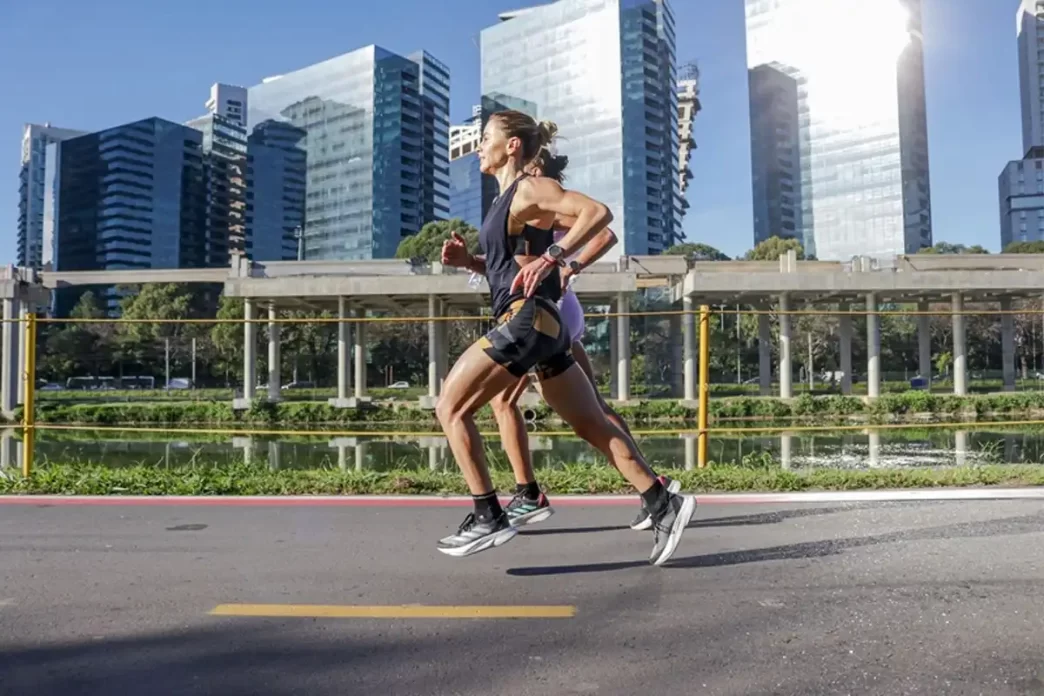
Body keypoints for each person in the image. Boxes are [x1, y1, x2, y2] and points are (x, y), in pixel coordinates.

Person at [433, 109, 696, 566]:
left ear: (512, 145)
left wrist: (555, 257)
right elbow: (508, 268)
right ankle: (662, 502)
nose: (479, 147)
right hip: (546, 325)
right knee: (591, 424)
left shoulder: (529, 188)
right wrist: (468, 263)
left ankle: (488, 514)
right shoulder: (505, 201)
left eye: (486, 137)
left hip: (526, 317)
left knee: (450, 408)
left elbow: (598, 214)